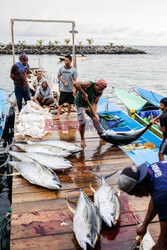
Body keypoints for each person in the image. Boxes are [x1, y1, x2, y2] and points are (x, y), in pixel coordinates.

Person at [117, 162, 167, 250]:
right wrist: (144, 225)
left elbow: (164, 242)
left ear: (141, 189)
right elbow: (155, 198)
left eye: (135, 194)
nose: (138, 197)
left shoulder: (162, 194)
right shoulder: (152, 169)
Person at [73, 79, 107, 147]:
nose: (100, 91)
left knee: (96, 119)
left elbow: (95, 103)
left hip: (89, 105)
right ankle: (82, 139)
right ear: (96, 85)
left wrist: (95, 114)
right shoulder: (89, 84)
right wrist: (83, 93)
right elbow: (75, 83)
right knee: (82, 122)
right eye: (100, 88)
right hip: (80, 104)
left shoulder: (100, 92)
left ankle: (101, 135)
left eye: (102, 89)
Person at [56, 54, 78, 120]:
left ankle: (68, 114)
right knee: (60, 103)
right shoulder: (61, 68)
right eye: (65, 61)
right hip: (63, 89)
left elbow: (75, 80)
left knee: (70, 103)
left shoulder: (74, 70)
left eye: (67, 61)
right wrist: (62, 81)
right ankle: (58, 115)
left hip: (70, 89)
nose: (65, 62)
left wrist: (74, 89)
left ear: (70, 61)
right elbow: (58, 76)